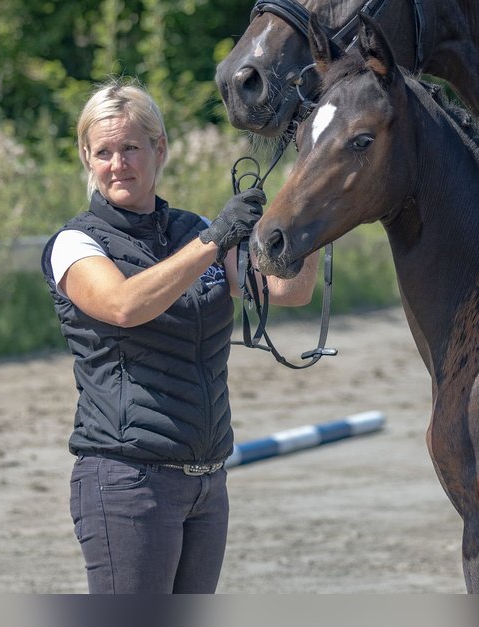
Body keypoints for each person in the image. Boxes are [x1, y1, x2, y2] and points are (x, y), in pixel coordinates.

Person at [40, 78, 318, 594]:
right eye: (103, 152)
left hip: (207, 483)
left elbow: (288, 290)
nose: (118, 163)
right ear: (86, 157)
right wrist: (214, 242)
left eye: (130, 148)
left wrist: (311, 206)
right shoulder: (74, 243)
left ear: (158, 149)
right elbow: (124, 305)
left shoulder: (192, 229)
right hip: (127, 482)